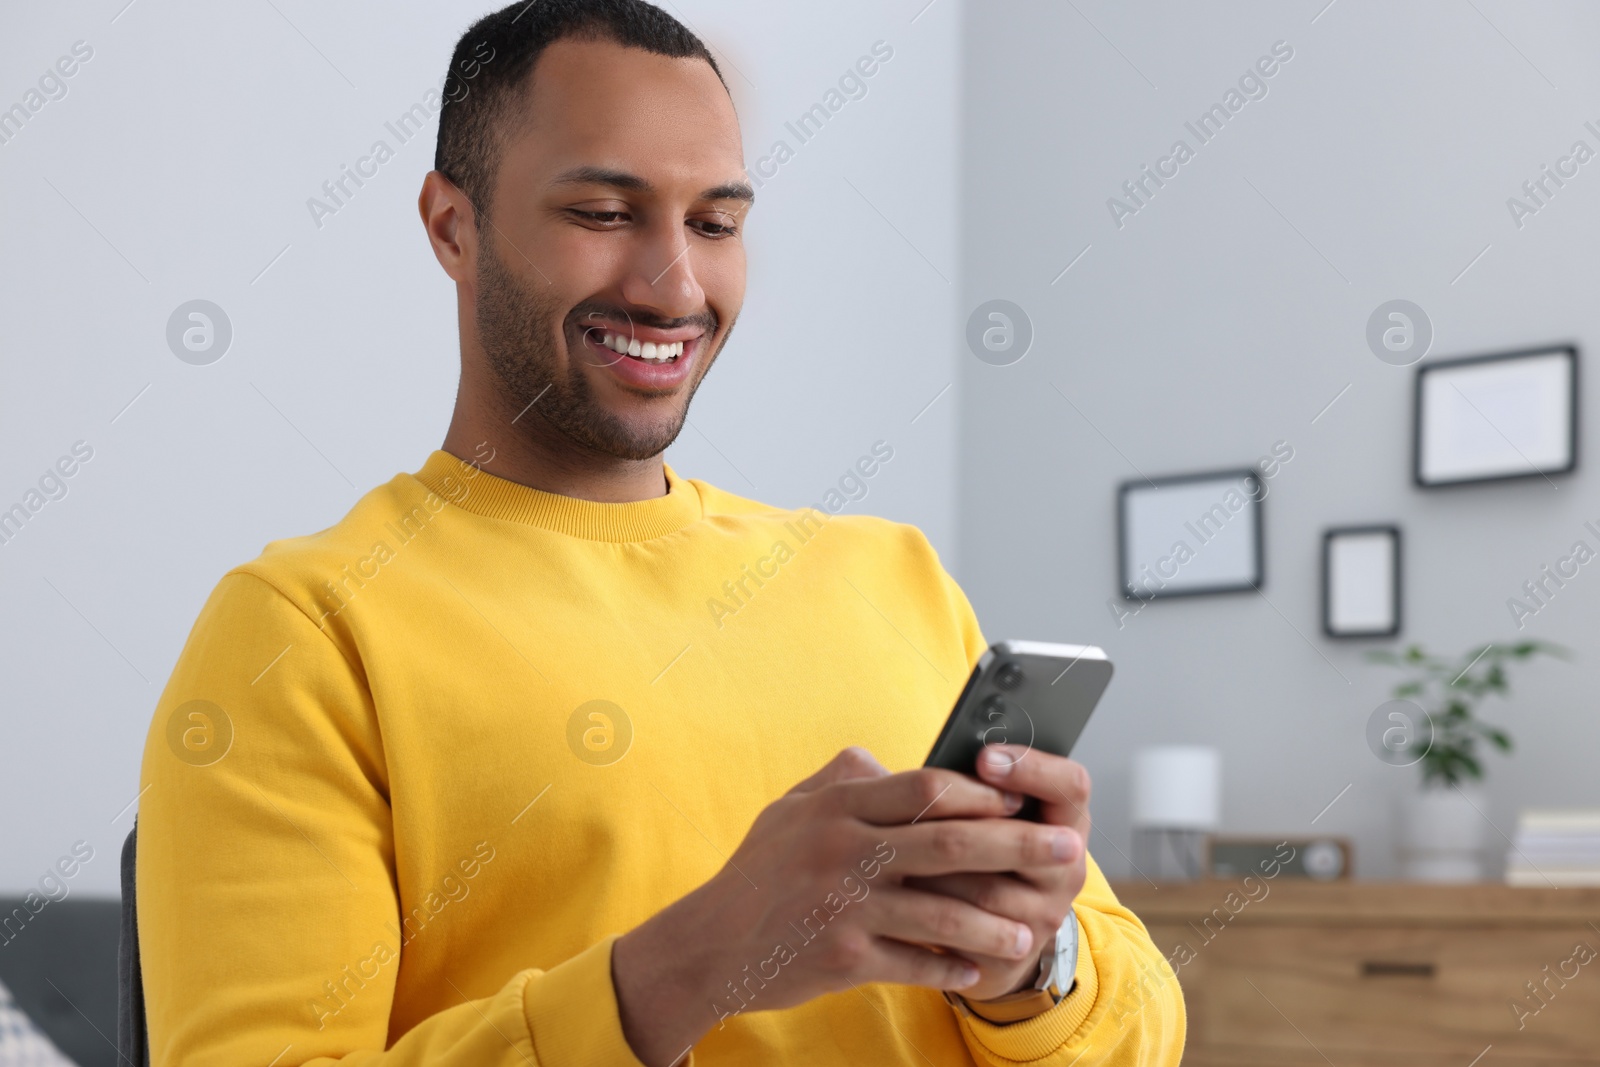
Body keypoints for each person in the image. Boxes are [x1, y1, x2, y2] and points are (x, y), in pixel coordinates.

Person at [135, 2, 1185, 1063]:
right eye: (602, 210)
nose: (674, 284)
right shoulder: (302, 633)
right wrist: (694, 960)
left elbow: (1144, 1029)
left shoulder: (893, 577)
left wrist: (1017, 963)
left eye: (715, 224)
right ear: (452, 225)